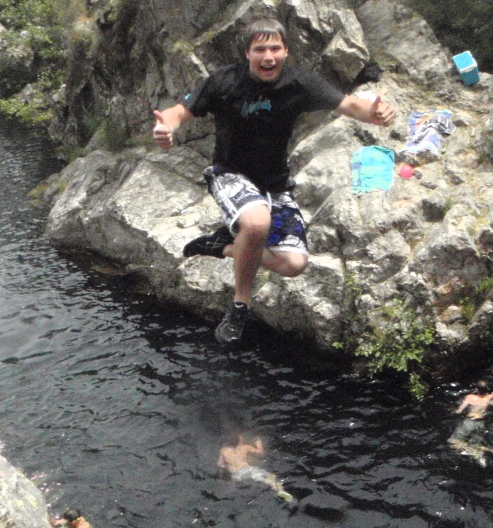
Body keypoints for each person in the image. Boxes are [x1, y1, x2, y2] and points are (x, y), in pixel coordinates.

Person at [153, 18, 395, 344]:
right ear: (247, 53)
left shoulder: (300, 83)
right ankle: (240, 305)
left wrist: (375, 112)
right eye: (260, 50)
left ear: (285, 51)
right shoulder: (224, 82)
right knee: (256, 223)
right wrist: (166, 127)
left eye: (275, 48)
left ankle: (222, 245)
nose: (268, 57)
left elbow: (348, 104)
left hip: (275, 185)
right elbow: (179, 111)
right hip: (230, 174)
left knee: (294, 264)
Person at [448, 366, 493, 467]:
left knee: (452, 442)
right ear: (486, 390)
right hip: (481, 423)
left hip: (469, 422)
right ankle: (492, 450)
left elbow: (460, 410)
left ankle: (477, 454)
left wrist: (454, 412)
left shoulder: (470, 397)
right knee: (475, 443)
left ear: (476, 389)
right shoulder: (488, 398)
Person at [217, 434, 293, 501]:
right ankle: (281, 492)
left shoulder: (223, 450)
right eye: (241, 439)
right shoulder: (245, 447)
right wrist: (259, 443)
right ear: (239, 442)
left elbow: (220, 465)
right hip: (247, 470)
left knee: (239, 488)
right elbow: (261, 453)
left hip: (236, 476)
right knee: (271, 477)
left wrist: (229, 465)